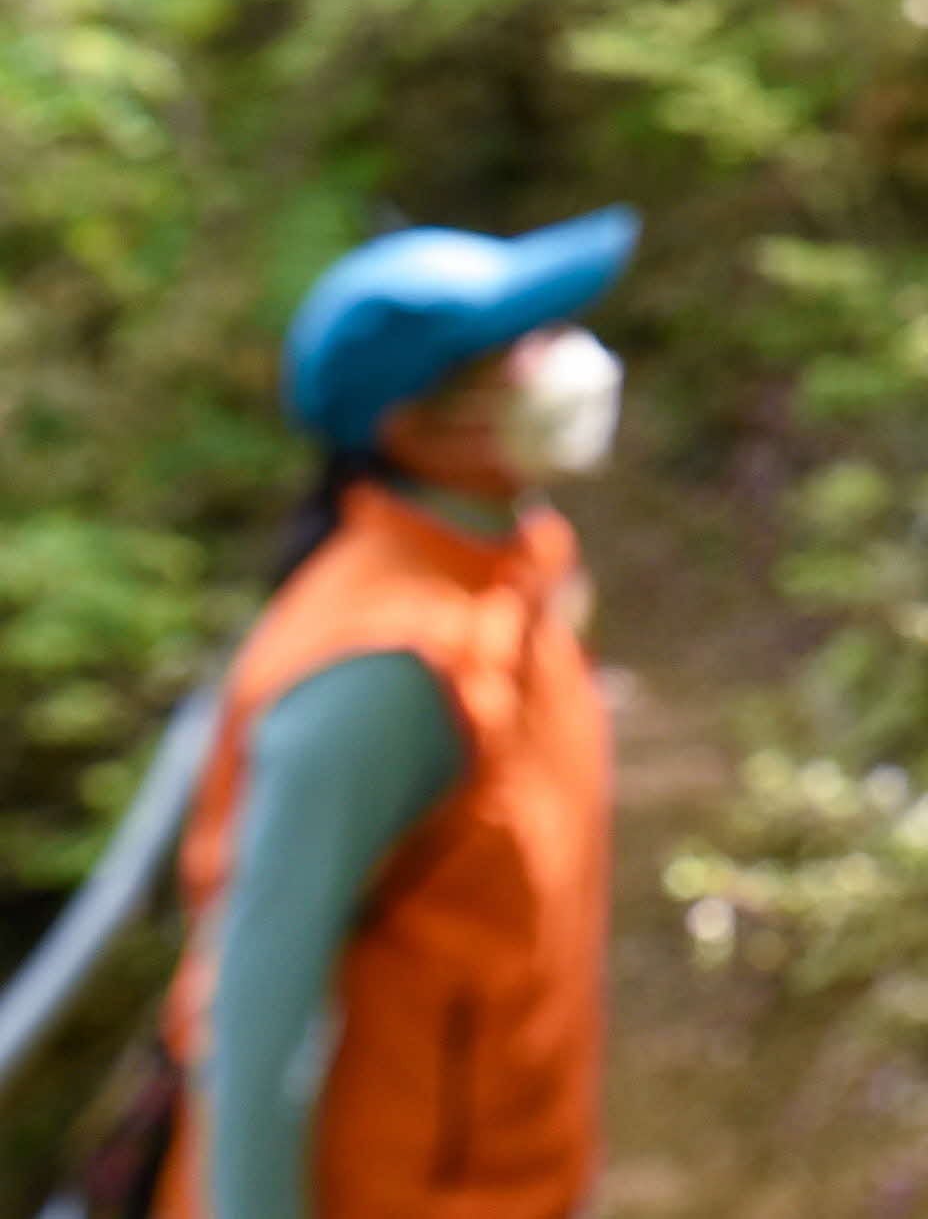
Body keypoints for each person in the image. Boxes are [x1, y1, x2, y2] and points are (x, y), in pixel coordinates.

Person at [153, 209, 641, 1219]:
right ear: (410, 428)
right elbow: (255, 1017)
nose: (557, 363)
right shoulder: (378, 667)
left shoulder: (516, 567)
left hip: (518, 1171)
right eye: (509, 353)